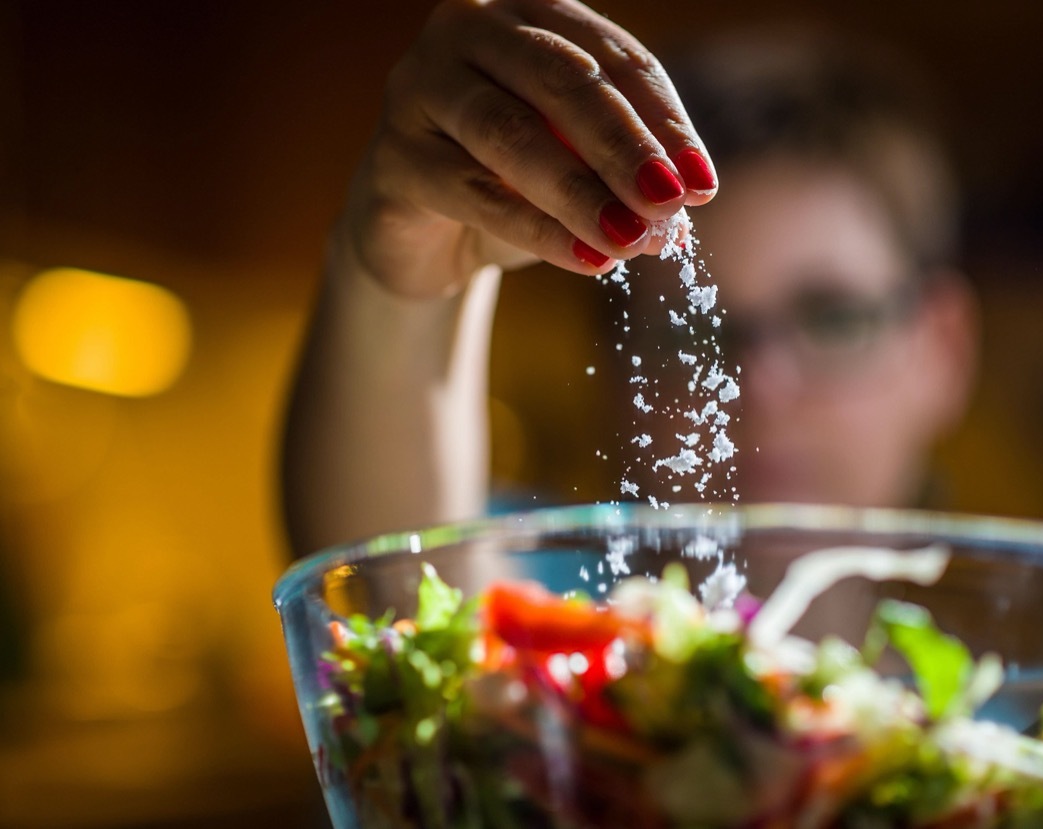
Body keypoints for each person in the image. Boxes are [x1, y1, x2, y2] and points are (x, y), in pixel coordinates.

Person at [280, 0, 977, 557]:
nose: (758, 385)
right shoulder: (548, 614)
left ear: (942, 347)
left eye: (832, 317)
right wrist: (399, 285)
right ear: (612, 364)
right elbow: (397, 575)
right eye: (687, 331)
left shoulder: (1038, 718)